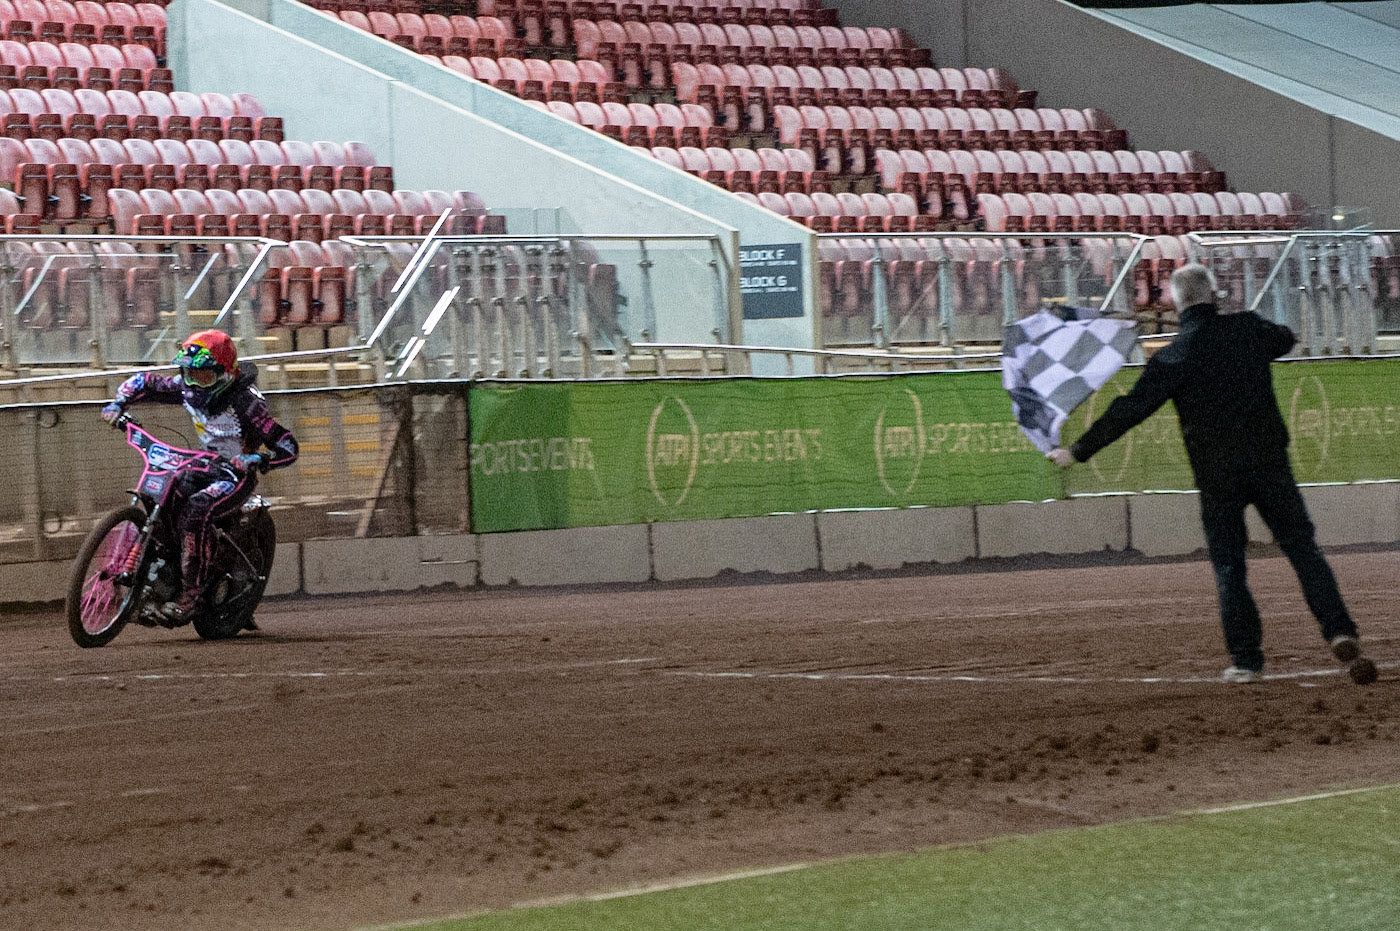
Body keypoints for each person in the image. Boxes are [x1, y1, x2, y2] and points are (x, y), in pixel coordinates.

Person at [1046, 264, 1377, 685]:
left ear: (1177, 302)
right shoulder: (1248, 329)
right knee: (1303, 551)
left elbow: (1128, 412)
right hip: (1268, 463)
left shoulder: (1173, 356)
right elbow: (1286, 337)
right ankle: (1339, 630)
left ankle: (1247, 660)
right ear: (1215, 295)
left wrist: (1076, 451)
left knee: (1229, 566)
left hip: (1217, 476)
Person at [100, 330, 299, 621]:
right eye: (189, 373)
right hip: (202, 465)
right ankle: (158, 573)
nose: (194, 382)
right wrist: (118, 404)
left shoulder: (248, 403)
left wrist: (258, 458)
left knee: (195, 511)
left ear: (226, 373)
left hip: (236, 475)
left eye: (204, 376)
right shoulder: (185, 387)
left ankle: (190, 596)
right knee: (166, 495)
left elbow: (288, 445)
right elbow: (143, 382)